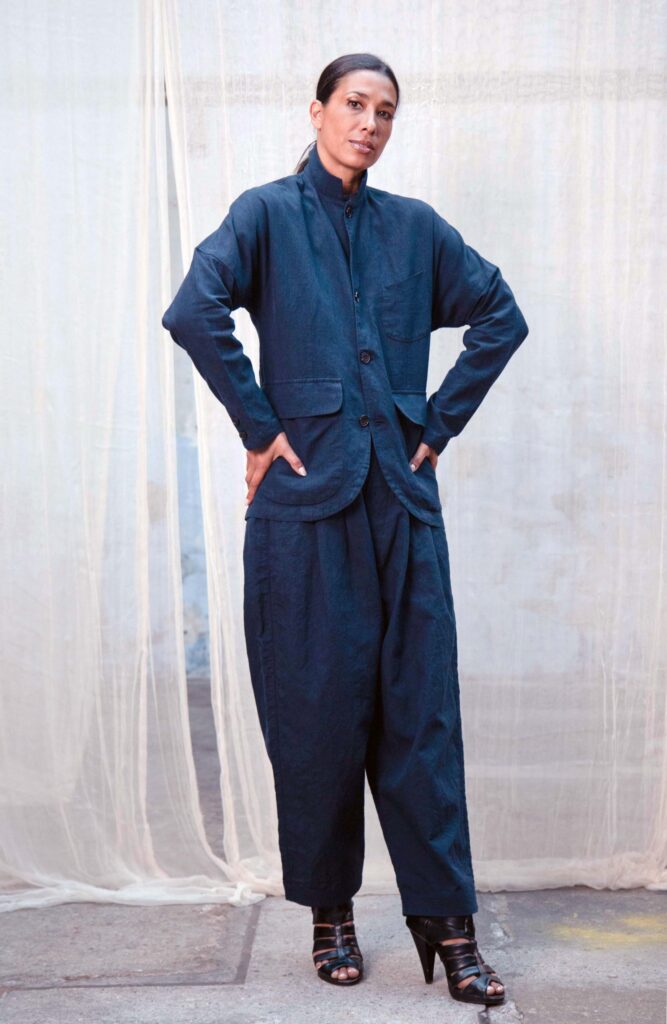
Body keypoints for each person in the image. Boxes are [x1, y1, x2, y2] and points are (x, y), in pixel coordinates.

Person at [161, 52, 528, 1008]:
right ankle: (330, 913)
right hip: (304, 508)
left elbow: (500, 315)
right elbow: (193, 310)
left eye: (385, 111)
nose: (369, 123)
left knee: (421, 721)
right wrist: (259, 427)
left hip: (401, 506)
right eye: (355, 104)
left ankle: (446, 926)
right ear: (317, 111)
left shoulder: (414, 228)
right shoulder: (264, 216)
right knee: (315, 718)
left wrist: (438, 423)